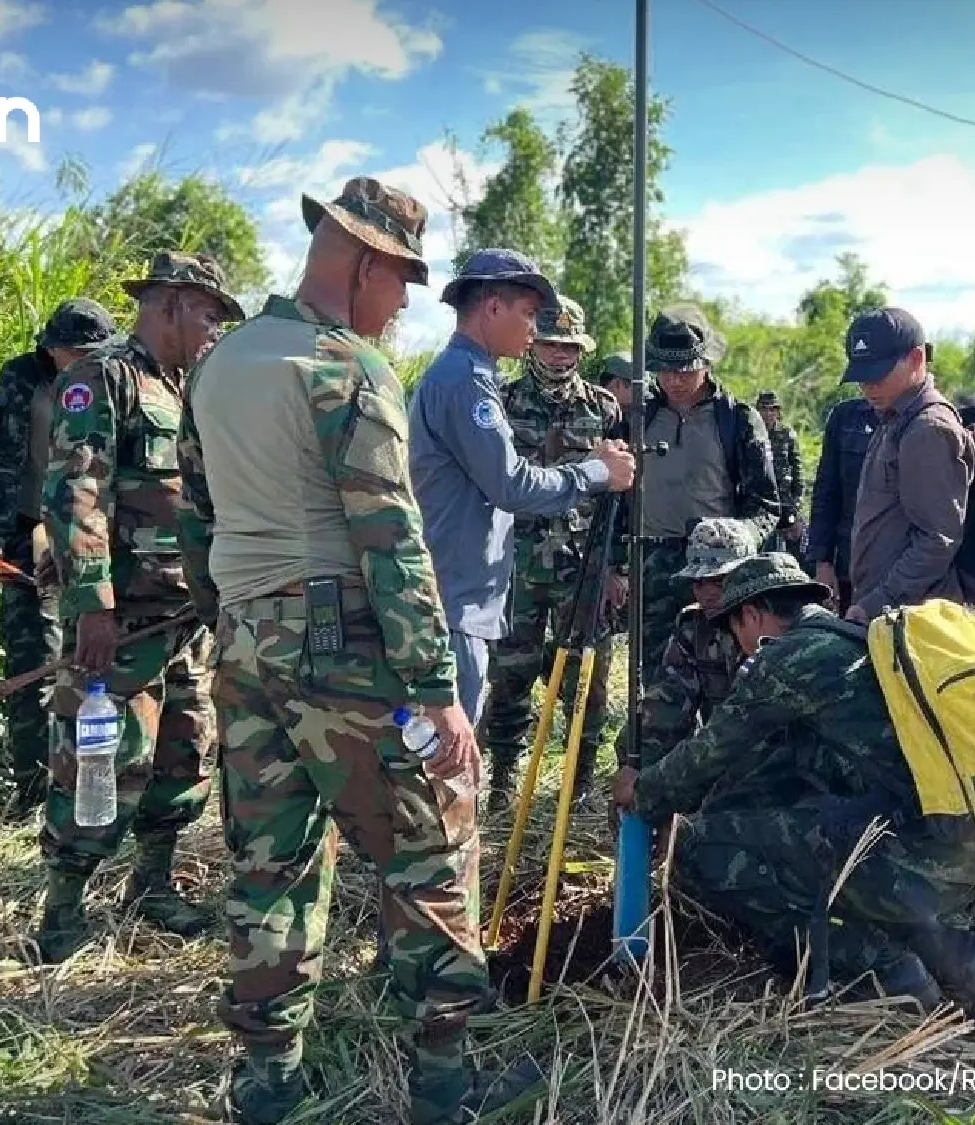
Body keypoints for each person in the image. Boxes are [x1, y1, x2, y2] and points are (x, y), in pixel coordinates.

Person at [177, 177, 534, 1125]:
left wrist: (235, 618)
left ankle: (269, 1082)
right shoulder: (345, 365)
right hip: (338, 637)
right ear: (366, 261)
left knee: (272, 860)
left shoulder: (220, 362)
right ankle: (445, 1085)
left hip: (243, 639)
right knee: (432, 841)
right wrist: (435, 689)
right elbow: (390, 535)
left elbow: (195, 514)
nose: (406, 300)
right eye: (404, 279)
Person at [614, 553, 975, 1025]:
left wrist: (644, 793)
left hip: (911, 867)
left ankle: (883, 967)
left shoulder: (790, 659)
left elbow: (709, 754)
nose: (740, 646)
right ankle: (953, 952)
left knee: (699, 848)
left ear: (751, 615)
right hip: (961, 853)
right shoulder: (857, 644)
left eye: (735, 629)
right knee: (773, 830)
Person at [32, 252, 240, 964]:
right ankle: (63, 910)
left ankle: (152, 883)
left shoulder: (190, 388)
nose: (214, 328)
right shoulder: (103, 379)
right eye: (208, 312)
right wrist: (92, 603)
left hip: (186, 616)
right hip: (120, 622)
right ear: (171, 304)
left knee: (185, 754)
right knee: (99, 760)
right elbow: (75, 492)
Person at [407, 249, 635, 722]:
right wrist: (595, 472)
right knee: (453, 745)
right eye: (529, 314)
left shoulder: (472, 377)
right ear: (493, 307)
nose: (535, 330)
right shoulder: (468, 383)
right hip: (461, 599)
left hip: (491, 590)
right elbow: (510, 485)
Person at [0, 297, 120, 813]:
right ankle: (36, 789)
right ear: (51, 349)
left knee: (98, 664)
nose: (82, 362)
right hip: (30, 533)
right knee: (35, 659)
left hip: (102, 538)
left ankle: (98, 782)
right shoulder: (22, 380)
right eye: (72, 353)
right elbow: (1, 464)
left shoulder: (119, 378)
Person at [482, 294, 623, 810]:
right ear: (531, 345)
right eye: (550, 344)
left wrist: (618, 568)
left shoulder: (604, 408)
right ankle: (502, 781)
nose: (560, 355)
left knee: (587, 681)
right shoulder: (501, 401)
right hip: (516, 564)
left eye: (569, 346)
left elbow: (622, 493)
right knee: (510, 673)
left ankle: (578, 786)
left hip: (581, 567)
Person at [614, 306, 780, 705]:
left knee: (727, 678)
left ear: (706, 364)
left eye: (685, 371)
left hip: (719, 572)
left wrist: (739, 540)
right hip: (652, 566)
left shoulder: (738, 420)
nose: (675, 380)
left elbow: (765, 505)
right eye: (665, 370)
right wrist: (614, 567)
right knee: (657, 681)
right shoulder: (636, 419)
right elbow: (615, 500)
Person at [843, 307, 974, 620]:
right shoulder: (894, 417)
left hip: (912, 618)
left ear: (916, 359)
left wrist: (877, 602)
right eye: (861, 377)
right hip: (888, 612)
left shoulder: (927, 429)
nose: (867, 387)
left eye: (878, 374)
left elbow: (937, 540)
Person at [631, 518, 761, 775]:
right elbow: (667, 704)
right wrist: (640, 771)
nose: (706, 593)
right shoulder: (694, 628)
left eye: (719, 581)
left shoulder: (780, 625)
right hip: (720, 755)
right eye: (699, 582)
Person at [806, 389, 877, 612]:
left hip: (900, 570)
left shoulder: (921, 421)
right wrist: (822, 562)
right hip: (849, 564)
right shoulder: (845, 418)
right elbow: (826, 492)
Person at [755, 390, 805, 553]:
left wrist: (797, 499)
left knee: (792, 542)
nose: (768, 413)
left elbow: (797, 467)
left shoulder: (786, 434)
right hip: (761, 498)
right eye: (764, 409)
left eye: (772, 409)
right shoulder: (752, 433)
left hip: (784, 497)